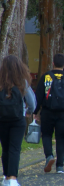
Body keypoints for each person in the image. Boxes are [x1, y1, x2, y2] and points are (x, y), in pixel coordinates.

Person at [33, 53, 64, 174]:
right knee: (60, 138)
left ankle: (49, 156)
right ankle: (60, 167)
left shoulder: (46, 76)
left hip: (48, 111)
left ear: (52, 63)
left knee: (47, 135)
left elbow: (38, 96)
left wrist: (35, 111)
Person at [0, 56, 36, 186]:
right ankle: (12, 178)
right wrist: (28, 112)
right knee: (15, 148)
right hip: (18, 119)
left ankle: (5, 177)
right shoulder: (22, 82)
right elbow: (32, 102)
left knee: (5, 148)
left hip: (2, 119)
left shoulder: (0, 81)